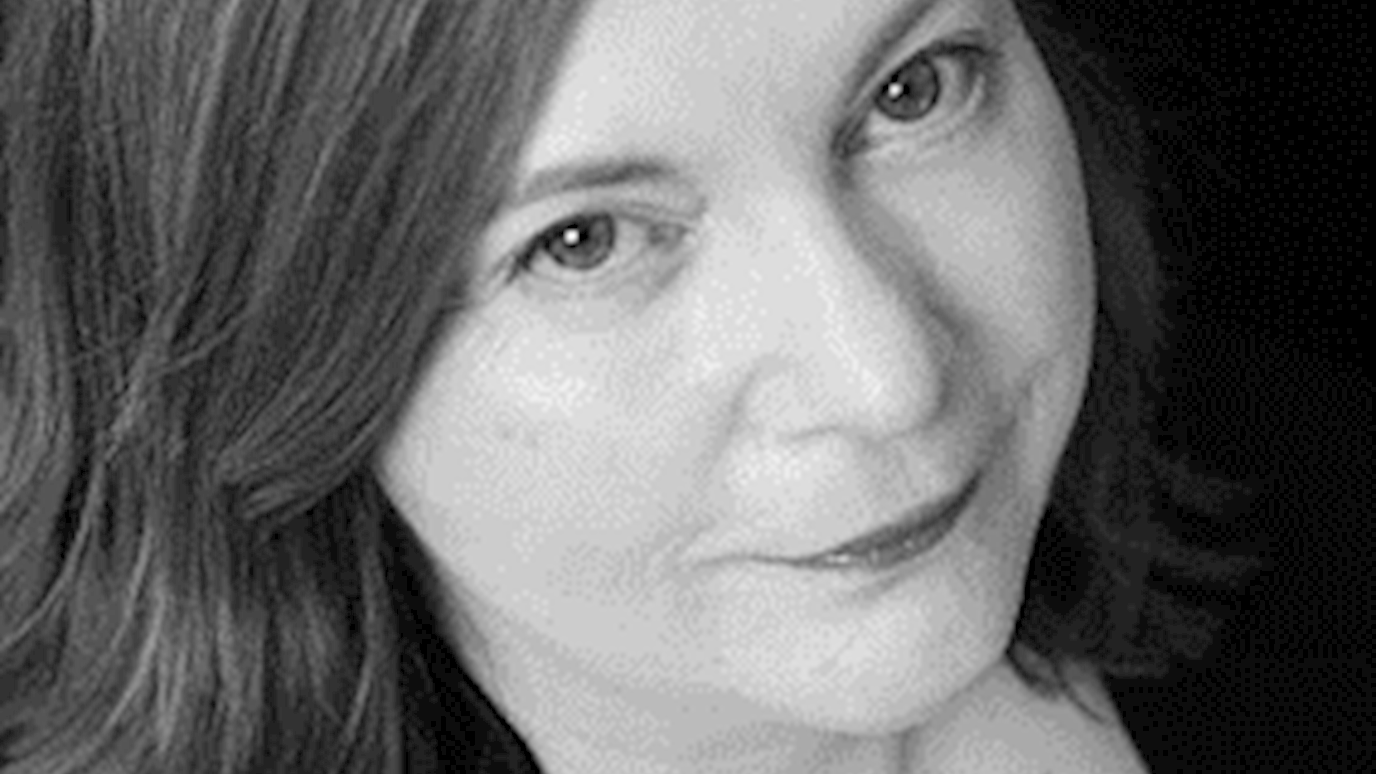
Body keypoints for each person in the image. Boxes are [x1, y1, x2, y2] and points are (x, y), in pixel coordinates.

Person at [0, 0, 1260, 772]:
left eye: (912, 89)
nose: (886, 378)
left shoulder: (1310, 505)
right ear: (266, 354)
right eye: (583, 241)